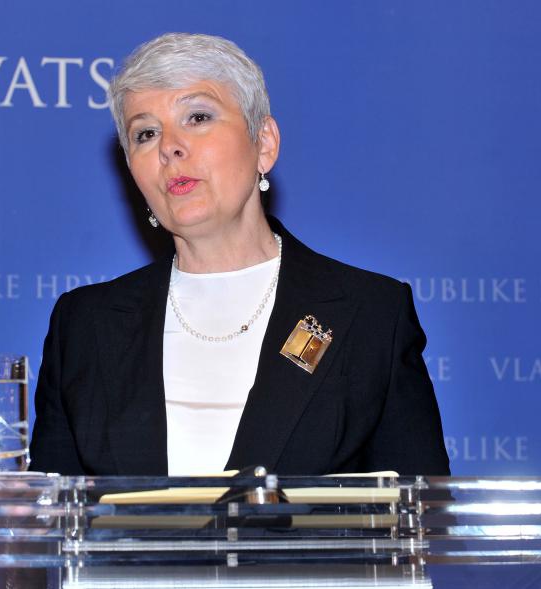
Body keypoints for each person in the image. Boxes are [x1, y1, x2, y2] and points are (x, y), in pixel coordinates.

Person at [29, 33, 450, 477]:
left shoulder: (369, 314)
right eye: (146, 133)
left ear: (263, 143)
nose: (170, 147)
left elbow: (419, 508)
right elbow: (56, 511)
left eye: (198, 117)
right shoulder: (85, 325)